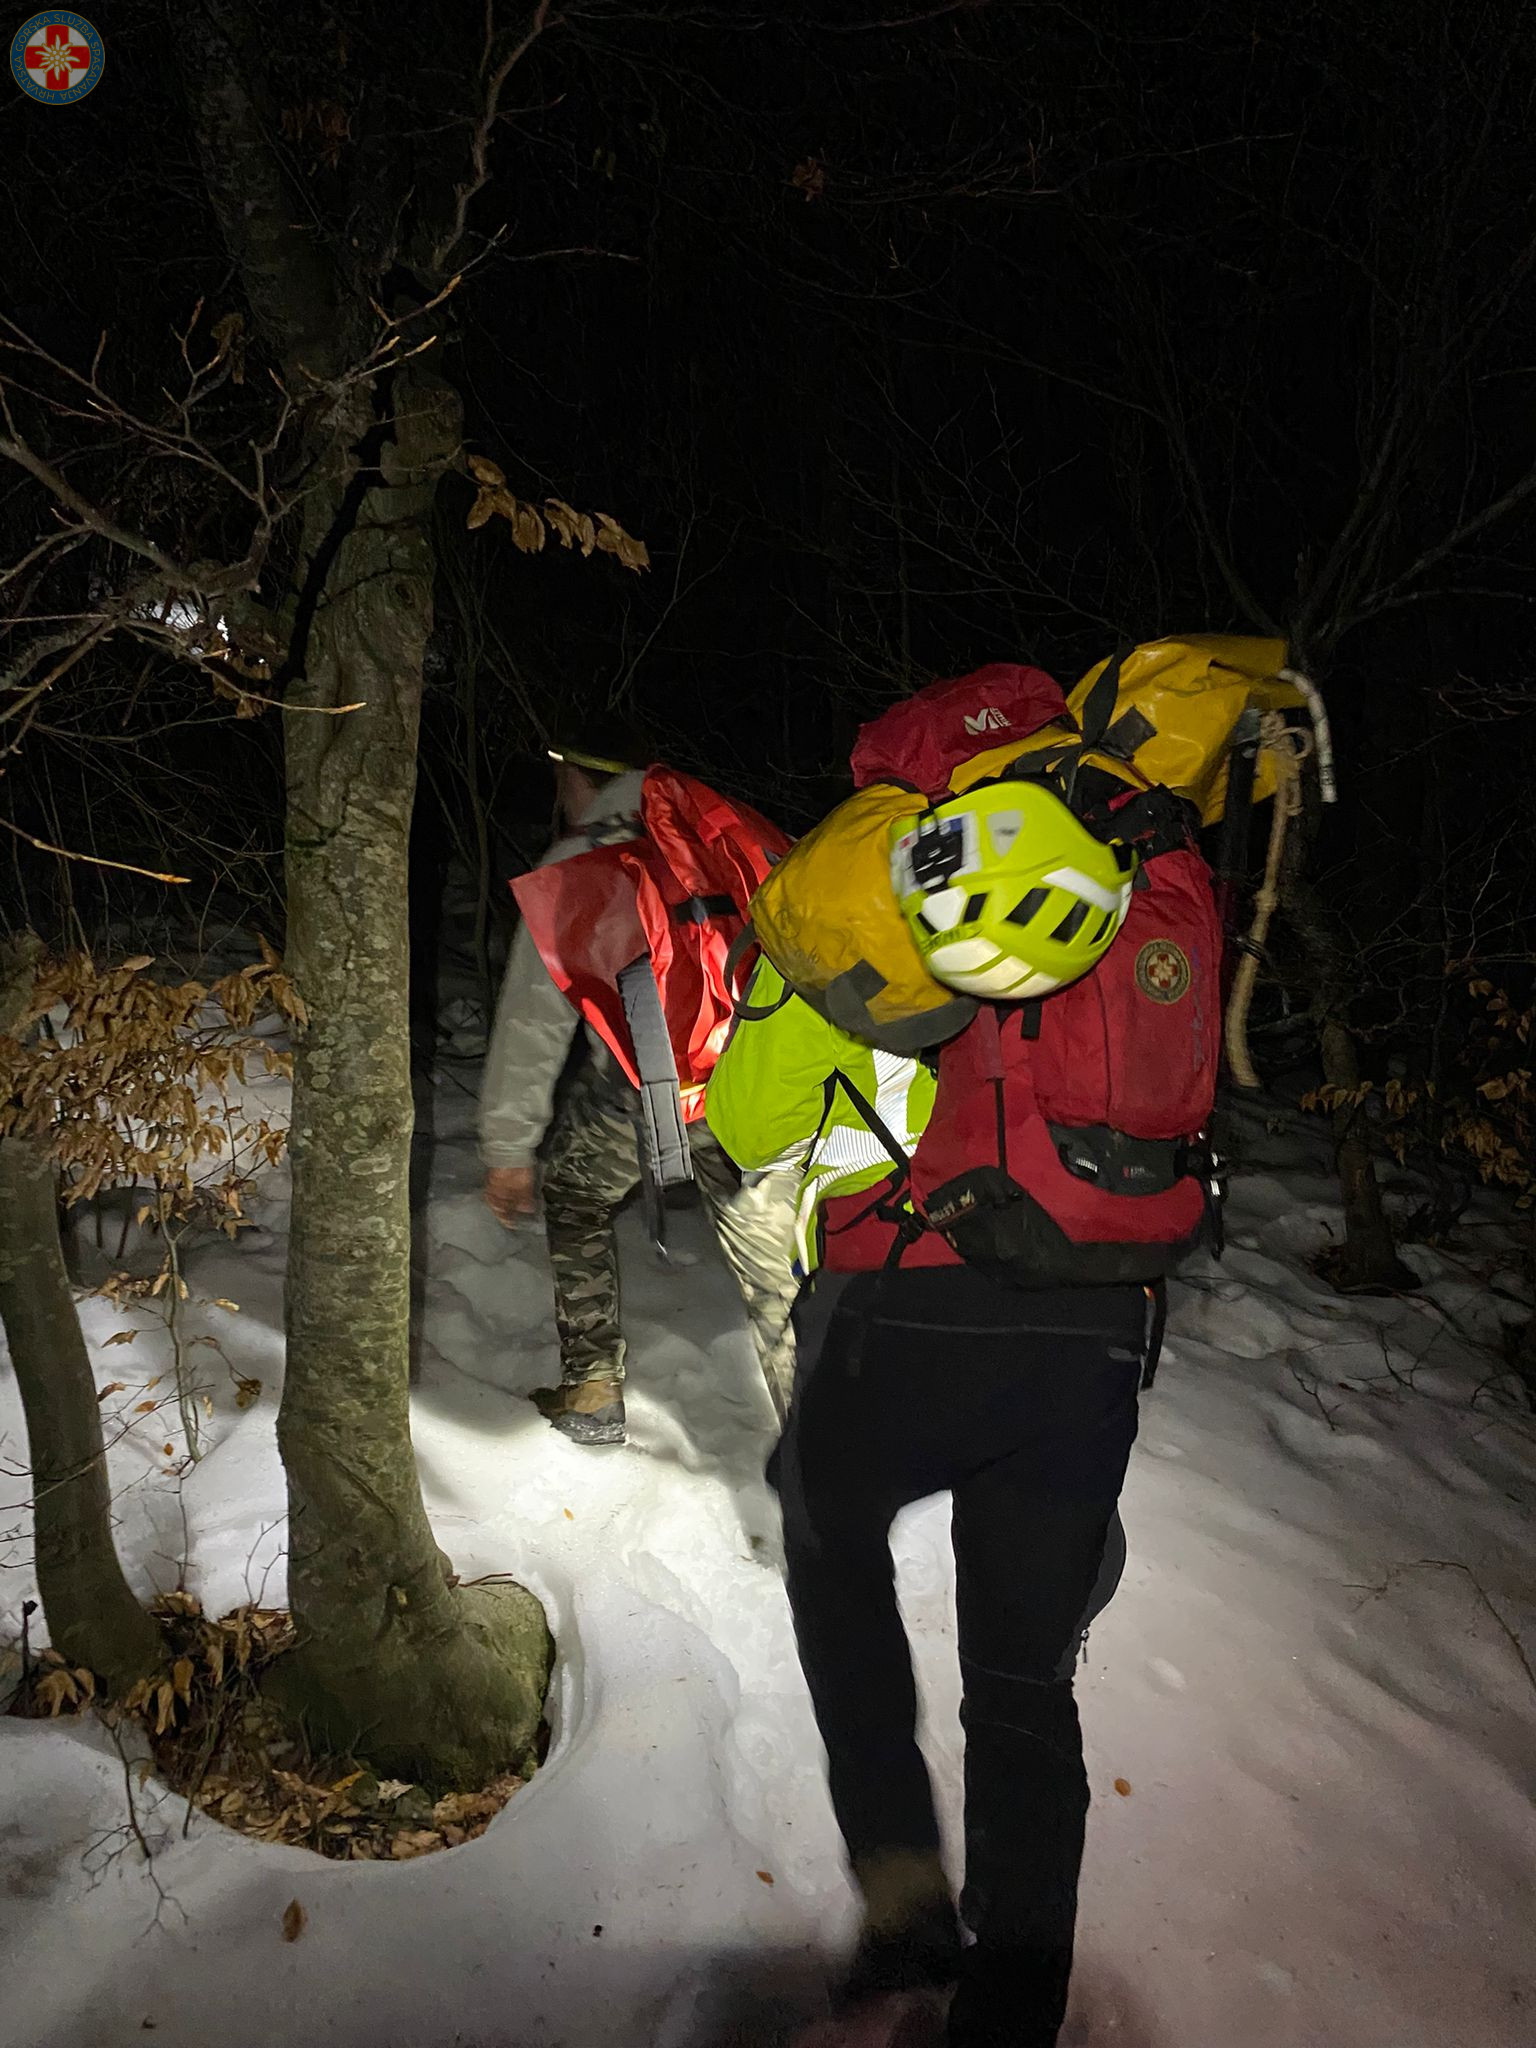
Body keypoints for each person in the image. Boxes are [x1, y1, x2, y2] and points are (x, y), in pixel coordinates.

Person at [707, 873, 1165, 2045]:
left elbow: (752, 1126)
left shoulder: (866, 877)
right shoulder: (1121, 887)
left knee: (827, 1535)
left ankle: (906, 1899)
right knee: (1024, 1683)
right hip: (1090, 1315)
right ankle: (1011, 2011)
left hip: (895, 1301)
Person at [480, 727, 799, 1445]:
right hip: (755, 1088)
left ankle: (592, 1386)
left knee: (572, 1189)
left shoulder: (580, 860)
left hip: (639, 1095)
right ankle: (827, 1459)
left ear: (579, 776)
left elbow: (534, 1020)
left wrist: (507, 1145)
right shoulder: (716, 835)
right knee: (777, 1281)